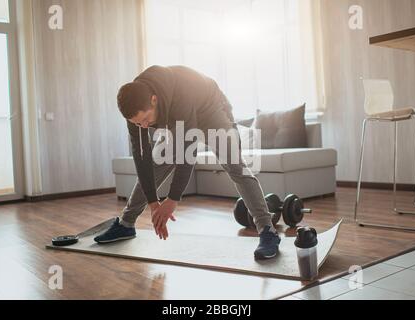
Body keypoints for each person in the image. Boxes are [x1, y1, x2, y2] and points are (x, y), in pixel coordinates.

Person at [94, 65, 281, 260]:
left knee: (237, 168)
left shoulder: (181, 94)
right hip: (177, 119)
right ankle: (126, 224)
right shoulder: (135, 106)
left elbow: (187, 154)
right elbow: (142, 158)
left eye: (146, 119)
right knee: (156, 164)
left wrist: (172, 200)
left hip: (211, 109)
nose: (143, 126)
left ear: (154, 100)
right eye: (138, 123)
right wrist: (153, 202)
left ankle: (268, 231)